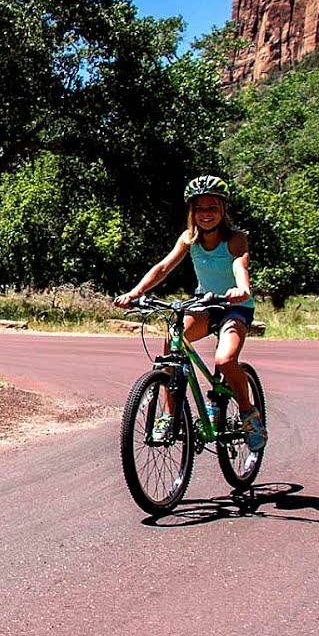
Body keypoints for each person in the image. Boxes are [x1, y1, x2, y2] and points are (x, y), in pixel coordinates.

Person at [113, 175, 265, 451]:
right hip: (205, 304)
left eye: (212, 208)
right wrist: (135, 293)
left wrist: (242, 289)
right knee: (173, 340)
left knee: (225, 358)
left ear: (223, 210)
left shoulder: (236, 239)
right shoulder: (189, 239)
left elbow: (240, 268)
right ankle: (168, 415)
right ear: (191, 212)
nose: (205, 214)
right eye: (199, 209)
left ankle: (248, 412)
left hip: (235, 306)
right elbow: (163, 268)